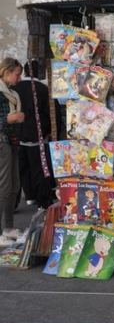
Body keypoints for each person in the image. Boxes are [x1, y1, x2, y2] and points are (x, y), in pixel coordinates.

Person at [13, 60, 56, 209]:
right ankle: (41, 201)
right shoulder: (44, 89)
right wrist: (50, 132)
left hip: (17, 136)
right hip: (37, 137)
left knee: (20, 170)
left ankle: (25, 197)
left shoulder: (14, 88)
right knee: (39, 169)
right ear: (40, 72)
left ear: (24, 71)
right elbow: (51, 114)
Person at [0, 58, 24, 246]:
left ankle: (8, 227)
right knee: (5, 187)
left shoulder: (12, 93)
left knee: (14, 187)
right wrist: (11, 119)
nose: (19, 77)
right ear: (6, 72)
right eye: (17, 73)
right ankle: (2, 230)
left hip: (12, 142)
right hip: (3, 142)